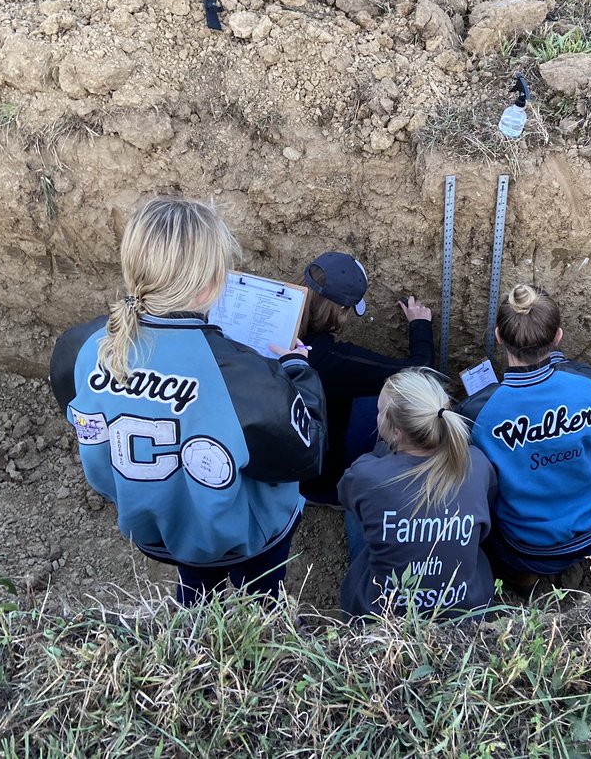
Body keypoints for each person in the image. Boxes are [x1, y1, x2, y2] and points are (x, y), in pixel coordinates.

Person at [49, 197, 326, 606]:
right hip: (246, 535)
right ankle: (267, 618)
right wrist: (296, 371)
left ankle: (191, 621)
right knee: (261, 588)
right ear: (209, 287)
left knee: (195, 588)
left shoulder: (79, 348)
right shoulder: (245, 377)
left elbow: (84, 416)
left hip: (161, 526)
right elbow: (305, 456)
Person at [457, 284, 591, 593]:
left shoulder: (478, 412)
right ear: (558, 336)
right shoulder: (587, 380)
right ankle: (581, 555)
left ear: (498, 336)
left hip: (530, 547)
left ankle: (522, 579)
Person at [338, 368, 496, 619]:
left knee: (356, 509)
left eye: (379, 411)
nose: (376, 416)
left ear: (395, 432)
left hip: (384, 615)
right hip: (466, 610)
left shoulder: (366, 475)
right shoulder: (476, 462)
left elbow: (345, 495)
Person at [296, 251, 435, 504]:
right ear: (339, 309)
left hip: (270, 455)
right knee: (376, 407)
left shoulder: (269, 320)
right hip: (314, 476)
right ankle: (324, 494)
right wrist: (420, 325)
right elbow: (420, 371)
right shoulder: (331, 360)